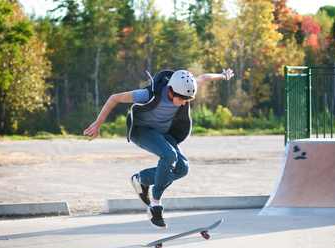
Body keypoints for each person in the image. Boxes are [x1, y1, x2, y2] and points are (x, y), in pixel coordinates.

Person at [83, 68, 234, 229]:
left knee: (183, 168)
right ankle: (155, 205)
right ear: (171, 91)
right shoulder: (148, 94)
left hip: (163, 133)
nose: (184, 103)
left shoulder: (185, 87)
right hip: (142, 131)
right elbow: (115, 98)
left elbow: (204, 77)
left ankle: (142, 179)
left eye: (187, 100)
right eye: (181, 99)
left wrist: (223, 76)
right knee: (169, 155)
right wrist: (98, 123)